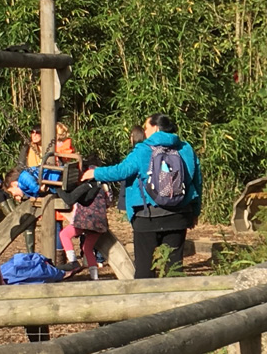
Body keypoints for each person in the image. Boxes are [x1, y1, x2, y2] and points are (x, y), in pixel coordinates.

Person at [83, 113, 201, 278]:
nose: (144, 132)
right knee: (174, 268)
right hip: (179, 214)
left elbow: (122, 170)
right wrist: (195, 211)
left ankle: (145, 301)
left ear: (155, 128)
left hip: (147, 215)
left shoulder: (143, 149)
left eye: (146, 127)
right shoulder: (185, 148)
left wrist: (95, 173)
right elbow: (196, 181)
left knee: (145, 268)